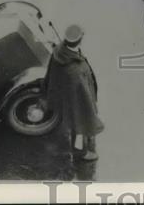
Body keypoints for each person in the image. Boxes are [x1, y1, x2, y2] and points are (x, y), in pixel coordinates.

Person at [42, 24, 101, 161]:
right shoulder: (75, 70)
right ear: (79, 40)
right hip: (76, 101)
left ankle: (86, 135)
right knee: (79, 125)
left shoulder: (59, 50)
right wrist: (88, 113)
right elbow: (82, 99)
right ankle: (81, 153)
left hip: (66, 95)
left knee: (78, 122)